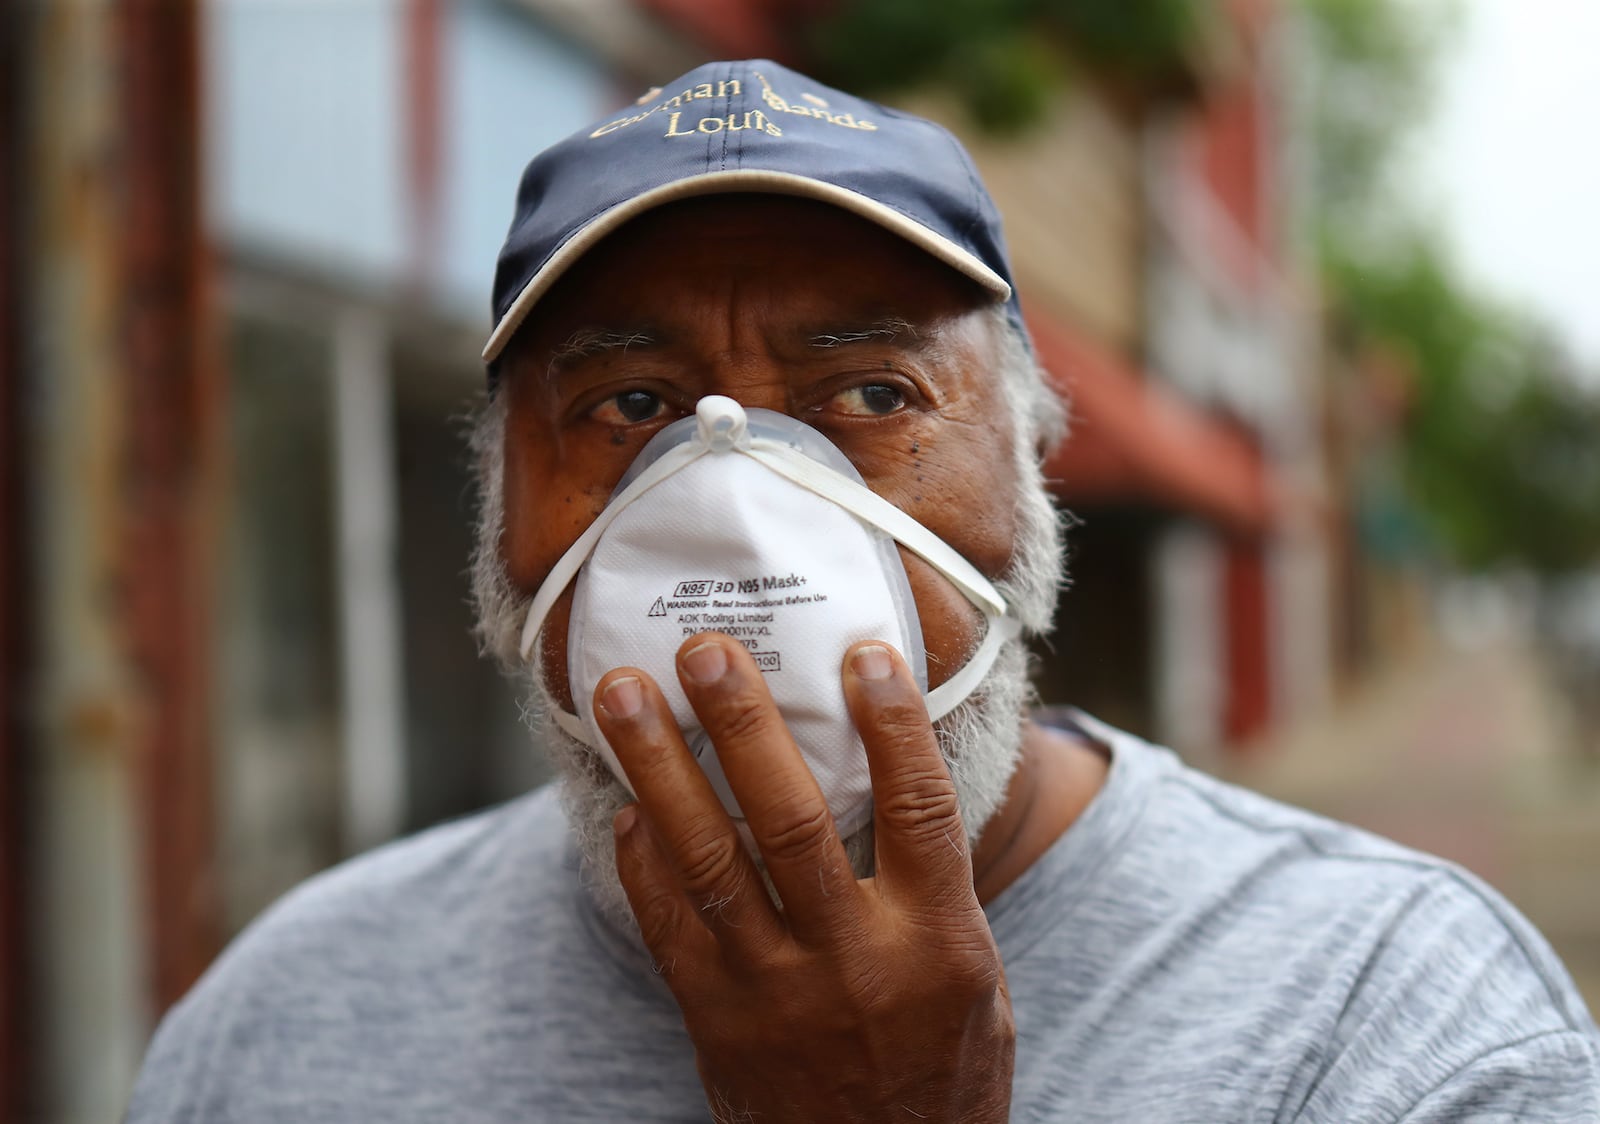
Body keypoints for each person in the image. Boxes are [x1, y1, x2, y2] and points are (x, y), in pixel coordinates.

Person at [127, 59, 1599, 1123]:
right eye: (631, 406)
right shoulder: (286, 1027)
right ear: (501, 525)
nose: (739, 504)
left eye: (872, 392)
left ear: (1034, 487)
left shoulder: (1384, 1027)